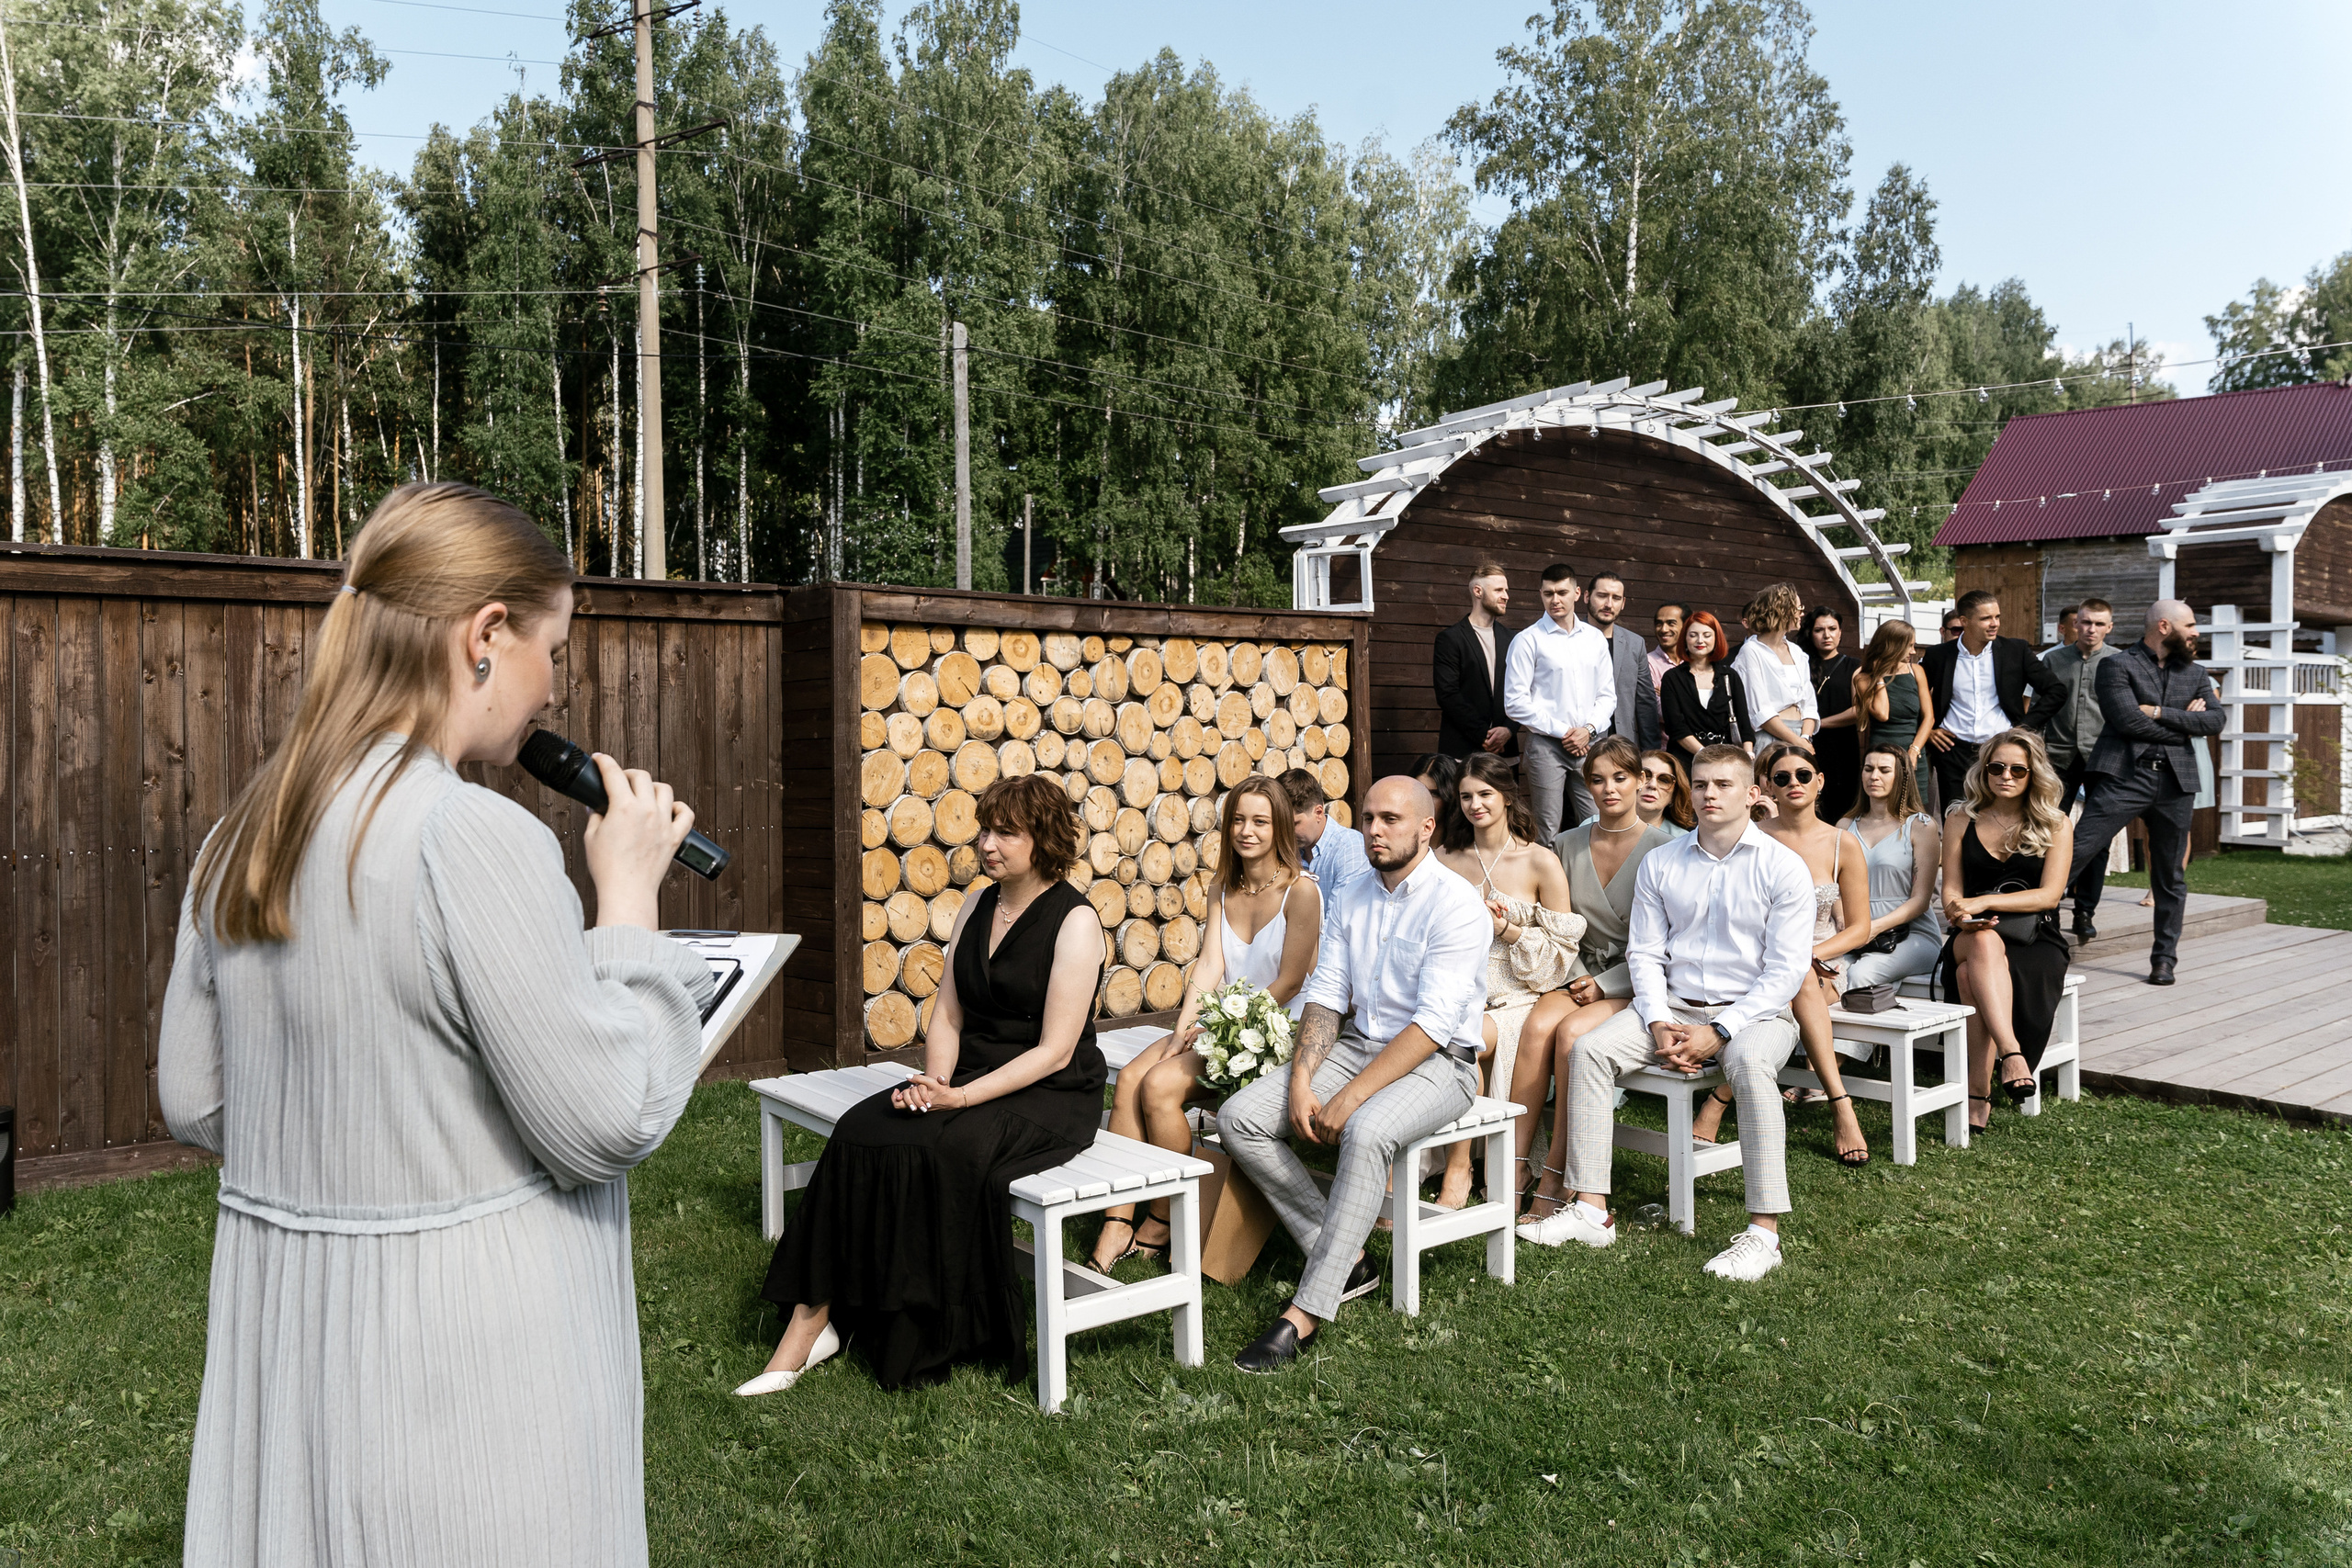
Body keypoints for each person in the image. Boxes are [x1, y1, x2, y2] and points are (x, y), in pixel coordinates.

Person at [157, 483, 714, 1567]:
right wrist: (631, 901)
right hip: (468, 1370)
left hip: (297, 1352)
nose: (555, 682)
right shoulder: (472, 838)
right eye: (554, 645)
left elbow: (197, 1099)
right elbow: (607, 1118)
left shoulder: (243, 833)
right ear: (485, 635)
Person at [749, 773, 1105, 1394]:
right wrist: (935, 1079)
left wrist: (960, 1098)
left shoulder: (1075, 922)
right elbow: (947, 1011)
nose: (987, 843)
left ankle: (911, 1325)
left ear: (1043, 838)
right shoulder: (978, 902)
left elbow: (1054, 1051)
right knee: (862, 1127)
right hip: (967, 1071)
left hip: (1049, 1091)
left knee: (946, 1149)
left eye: (1005, 832)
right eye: (985, 828)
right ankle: (814, 1319)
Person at [1219, 777, 1488, 1371]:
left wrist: (1350, 1097)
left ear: (1426, 827)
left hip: (1441, 1061)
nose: (1374, 829)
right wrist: (1301, 1076)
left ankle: (1304, 1313)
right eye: (1367, 817)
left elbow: (1434, 1025)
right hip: (1358, 1043)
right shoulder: (1354, 892)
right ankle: (1348, 1257)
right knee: (1240, 1118)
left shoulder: (1456, 902)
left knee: (1365, 1131)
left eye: (1391, 818)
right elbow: (1325, 991)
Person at [1520, 744, 1813, 1280]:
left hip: (1756, 1015)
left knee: (1747, 1064)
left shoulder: (1783, 867)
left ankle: (1763, 1234)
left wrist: (1719, 1032)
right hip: (1671, 1007)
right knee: (1588, 1050)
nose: (1708, 795)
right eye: (1700, 785)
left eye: (1723, 785)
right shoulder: (1662, 862)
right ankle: (1590, 1207)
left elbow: (1785, 974)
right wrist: (1657, 1023)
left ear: (1752, 794)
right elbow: (1646, 955)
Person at [1090, 778, 1321, 1271]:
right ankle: (1118, 1218)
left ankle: (1165, 1218)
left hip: (1276, 1032)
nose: (1247, 831)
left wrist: (1226, 1023)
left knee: (1158, 1087)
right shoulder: (1222, 887)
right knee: (1131, 1077)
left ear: (1279, 825)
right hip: (1227, 1022)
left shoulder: (1301, 893)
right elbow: (1209, 967)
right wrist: (1182, 1028)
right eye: (1238, 819)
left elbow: (1291, 982)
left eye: (1260, 821)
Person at [1510, 739, 1678, 1223]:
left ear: (1641, 782)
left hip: (1639, 981)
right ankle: (1516, 1166)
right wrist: (1583, 976)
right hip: (1575, 973)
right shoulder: (1564, 844)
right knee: (1537, 1027)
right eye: (1598, 779)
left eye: (1620, 778)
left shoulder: (1667, 849)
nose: (1609, 789)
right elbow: (1554, 924)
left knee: (1569, 1034)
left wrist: (1609, 983)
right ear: (1586, 784)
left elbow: (1673, 943)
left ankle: (1556, 1175)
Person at [1687, 741, 1875, 1168]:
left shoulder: (1842, 843)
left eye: (1803, 775)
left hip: (1820, 964)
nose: (1794, 783)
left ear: (1819, 782)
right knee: (1781, 978)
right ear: (1765, 787)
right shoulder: (1750, 839)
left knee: (1798, 979)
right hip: (1751, 962)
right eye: (1782, 777)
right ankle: (1829, 1099)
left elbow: (1860, 928)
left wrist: (1806, 953)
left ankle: (1836, 1104)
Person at [1430, 753, 1584, 1209]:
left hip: (1518, 995)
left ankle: (1463, 1166)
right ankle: (1419, 1157)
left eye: (1485, 794)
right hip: (1457, 988)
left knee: (1465, 1038)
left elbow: (1560, 956)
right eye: (1466, 797)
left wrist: (1507, 929)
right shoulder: (1444, 858)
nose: (1476, 805)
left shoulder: (1539, 861)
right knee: (1445, 1028)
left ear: (1507, 797)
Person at [2063, 600, 2222, 985]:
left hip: (2176, 784)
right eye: (2192, 624)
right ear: (2165, 627)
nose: (2197, 632)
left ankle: (2164, 959)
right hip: (2123, 777)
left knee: (2170, 876)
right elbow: (2126, 720)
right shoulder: (2117, 665)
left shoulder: (2197, 672)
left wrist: (2159, 712)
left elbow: (2215, 720)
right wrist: (2187, 722)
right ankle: (2028, 925)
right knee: (2077, 849)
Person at [1939, 729, 2075, 1130]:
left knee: (1970, 975)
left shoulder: (2056, 824)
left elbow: (2049, 896)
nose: (2007, 776)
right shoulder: (1960, 817)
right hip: (1972, 932)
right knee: (1980, 940)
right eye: (1997, 767)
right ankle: (2012, 1054)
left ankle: (1977, 1098)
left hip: (2035, 936)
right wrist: (1963, 915)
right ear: (1984, 770)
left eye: (2018, 769)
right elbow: (1951, 891)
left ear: (2034, 774)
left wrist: (1984, 901)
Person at [1919, 590, 2063, 815]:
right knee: (1956, 817)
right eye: (1986, 618)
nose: (1994, 623)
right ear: (1964, 622)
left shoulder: (2016, 650)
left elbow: (2056, 690)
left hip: (2000, 749)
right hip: (1952, 750)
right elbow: (1915, 695)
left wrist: (2024, 729)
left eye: (1997, 617)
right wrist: (1929, 730)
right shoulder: (1938, 655)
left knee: (2001, 816)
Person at [1503, 561, 1617, 838]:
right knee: (1546, 829)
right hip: (1546, 745)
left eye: (1562, 592)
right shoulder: (1527, 640)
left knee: (1597, 823)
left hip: (1590, 743)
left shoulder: (1595, 639)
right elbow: (1514, 702)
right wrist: (1565, 732)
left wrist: (1587, 731)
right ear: (1541, 594)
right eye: (1548, 593)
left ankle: (1591, 880)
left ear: (1577, 593)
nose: (1555, 600)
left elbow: (1607, 695)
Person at [2029, 597, 2118, 939]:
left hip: (2103, 758)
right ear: (2072, 625)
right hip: (2059, 759)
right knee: (2047, 833)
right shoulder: (2052, 661)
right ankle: (2047, 908)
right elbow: (2039, 708)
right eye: (2085, 622)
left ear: (2110, 627)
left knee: (2099, 836)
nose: (2090, 629)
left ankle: (2085, 911)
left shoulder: (2119, 663)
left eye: (2098, 623)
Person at [1839, 743, 1944, 990]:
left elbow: (1921, 900)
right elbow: (1833, 885)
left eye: (1884, 770)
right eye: (1868, 769)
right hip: (1855, 933)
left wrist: (1873, 928)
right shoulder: (1844, 826)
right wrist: (1845, 924)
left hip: (1911, 934)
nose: (1874, 776)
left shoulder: (1920, 826)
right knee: (1823, 974)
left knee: (1859, 976)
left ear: (1901, 776)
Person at [1432, 561, 1516, 758]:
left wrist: (1509, 730)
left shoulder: (1513, 639)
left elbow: (1524, 690)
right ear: (1478, 591)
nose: (1506, 596)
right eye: (1498, 590)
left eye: (1506, 590)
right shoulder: (1451, 639)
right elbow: (1448, 694)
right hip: (1462, 751)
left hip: (1505, 752)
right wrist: (1483, 736)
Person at [1851, 618, 1934, 807]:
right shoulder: (1863, 678)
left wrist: (1914, 751)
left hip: (1914, 752)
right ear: (1892, 646)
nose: (1913, 651)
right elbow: (1882, 713)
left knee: (1915, 811)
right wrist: (1879, 675)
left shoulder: (1916, 671)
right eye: (1909, 646)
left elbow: (1929, 718)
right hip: (1882, 753)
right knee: (1883, 809)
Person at [1731, 583, 1819, 753]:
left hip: (1801, 734)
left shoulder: (1797, 651)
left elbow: (1809, 704)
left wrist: (1805, 738)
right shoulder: (1751, 651)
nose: (1802, 613)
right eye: (1798, 608)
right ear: (1782, 610)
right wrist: (1797, 742)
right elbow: (1759, 711)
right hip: (1770, 736)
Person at [1658, 610, 1757, 757]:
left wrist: (1748, 753)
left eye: (1707, 635)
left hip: (1725, 757)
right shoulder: (1672, 678)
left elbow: (1744, 724)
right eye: (1693, 635)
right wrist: (1704, 754)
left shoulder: (1729, 676)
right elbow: (1676, 728)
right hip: (1684, 759)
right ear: (1685, 639)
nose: (1700, 640)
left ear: (1716, 639)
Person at [1587, 570, 1662, 750]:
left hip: (1624, 744)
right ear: (1586, 596)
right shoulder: (1570, 639)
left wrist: (1651, 753)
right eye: (1602, 596)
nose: (1608, 604)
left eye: (1616, 598)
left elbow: (1646, 703)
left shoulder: (1635, 643)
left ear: (1623, 603)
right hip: (1583, 745)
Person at [1283, 767, 1374, 908]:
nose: (1285, 832)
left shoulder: (1349, 846)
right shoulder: (1286, 848)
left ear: (1318, 812)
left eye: (1293, 824)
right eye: (1281, 825)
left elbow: (1340, 919)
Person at [1804, 605, 1860, 826]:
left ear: (1840, 632)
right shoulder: (1801, 663)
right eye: (1819, 630)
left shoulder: (1854, 665)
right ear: (1811, 633)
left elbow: (1858, 710)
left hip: (1842, 746)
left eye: (1832, 629)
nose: (1826, 635)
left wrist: (1817, 724)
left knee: (1841, 805)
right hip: (1808, 743)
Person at [1635, 748, 1696, 833]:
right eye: (1646, 775)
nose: (1652, 785)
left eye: (1664, 780)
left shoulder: (1682, 841)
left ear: (1674, 795)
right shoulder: (1609, 828)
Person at [1649, 601, 1688, 694]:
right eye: (1659, 624)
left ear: (1686, 626)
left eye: (1671, 623)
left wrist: (1668, 693)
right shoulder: (1648, 663)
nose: (1664, 629)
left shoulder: (1694, 662)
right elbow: (1655, 703)